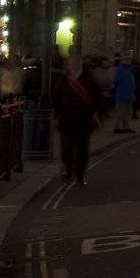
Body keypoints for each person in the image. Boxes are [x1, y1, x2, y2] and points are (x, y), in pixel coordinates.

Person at [53, 52, 98, 185]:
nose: (74, 63)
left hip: (84, 120)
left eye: (77, 61)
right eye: (72, 61)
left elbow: (96, 97)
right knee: (66, 148)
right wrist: (58, 113)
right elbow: (56, 97)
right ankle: (68, 170)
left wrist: (94, 113)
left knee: (82, 149)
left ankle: (80, 175)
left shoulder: (88, 78)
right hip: (66, 120)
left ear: (80, 62)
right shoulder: (63, 79)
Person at [112, 53, 137, 133]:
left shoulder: (130, 69)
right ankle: (117, 127)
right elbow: (116, 81)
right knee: (120, 112)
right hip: (122, 94)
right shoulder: (120, 70)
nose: (128, 61)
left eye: (129, 59)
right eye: (126, 59)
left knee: (127, 113)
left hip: (129, 94)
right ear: (123, 60)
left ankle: (126, 127)